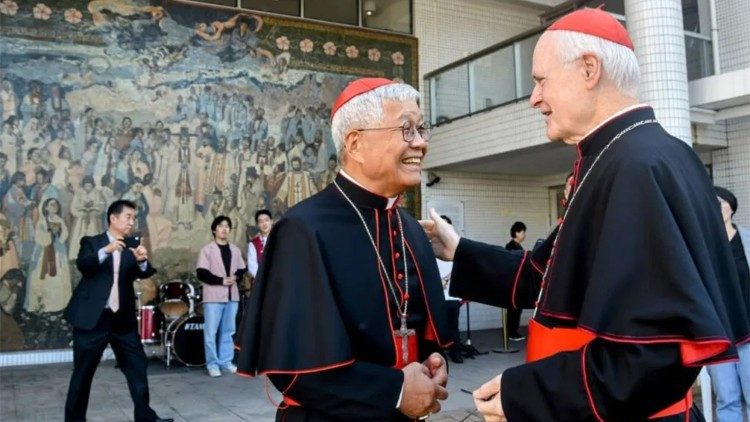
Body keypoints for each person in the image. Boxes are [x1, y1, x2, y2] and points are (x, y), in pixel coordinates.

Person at [420, 8, 749, 421]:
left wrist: (528, 393)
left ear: (589, 69)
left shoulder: (635, 167)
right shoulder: (623, 157)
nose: (534, 98)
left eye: (541, 81)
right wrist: (459, 250)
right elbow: (545, 275)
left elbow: (649, 358)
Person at [236, 78, 451, 421]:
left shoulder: (408, 225)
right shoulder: (303, 229)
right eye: (407, 130)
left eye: (422, 129)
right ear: (355, 144)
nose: (421, 143)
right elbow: (292, 371)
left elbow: (416, 328)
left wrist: (431, 367)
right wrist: (396, 391)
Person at [64, 199, 173, 422]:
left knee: (137, 368)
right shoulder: (92, 242)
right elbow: (84, 265)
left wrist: (142, 261)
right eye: (128, 217)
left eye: (134, 218)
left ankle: (145, 417)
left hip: (122, 321)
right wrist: (107, 250)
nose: (132, 222)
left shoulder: (132, 247)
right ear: (113, 218)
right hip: (93, 320)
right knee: (82, 374)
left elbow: (144, 272)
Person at [708, 187, 749, 422]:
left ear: (731, 207)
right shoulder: (704, 245)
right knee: (726, 398)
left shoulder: (747, 239)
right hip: (719, 334)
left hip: (748, 329)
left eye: (719, 201)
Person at [196, 215, 247, 377]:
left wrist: (236, 278)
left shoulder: (235, 249)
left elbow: (242, 269)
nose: (224, 229)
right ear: (214, 230)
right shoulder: (207, 250)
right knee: (211, 332)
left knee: (229, 331)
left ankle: (226, 362)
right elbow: (202, 273)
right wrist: (221, 280)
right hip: (213, 296)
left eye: (227, 226)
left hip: (232, 296)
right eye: (221, 226)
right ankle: (212, 364)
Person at [436, 215, 464, 364]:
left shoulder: (455, 247)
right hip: (437, 297)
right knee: (437, 328)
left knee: (453, 327)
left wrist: (446, 279)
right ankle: (438, 355)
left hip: (452, 296)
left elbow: (460, 266)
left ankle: (456, 353)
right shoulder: (430, 246)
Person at [504, 221, 526, 341]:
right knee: (514, 308)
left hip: (517, 283)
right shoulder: (511, 247)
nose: (524, 235)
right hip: (513, 283)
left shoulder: (517, 246)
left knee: (516, 308)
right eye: (523, 232)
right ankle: (512, 332)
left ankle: (513, 330)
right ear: (517, 233)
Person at [246, 209, 272, 281]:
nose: (264, 224)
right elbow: (252, 266)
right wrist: (264, 279)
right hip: (261, 281)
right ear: (257, 224)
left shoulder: (280, 239)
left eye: (266, 220)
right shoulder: (253, 243)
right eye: (261, 222)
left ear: (271, 221)